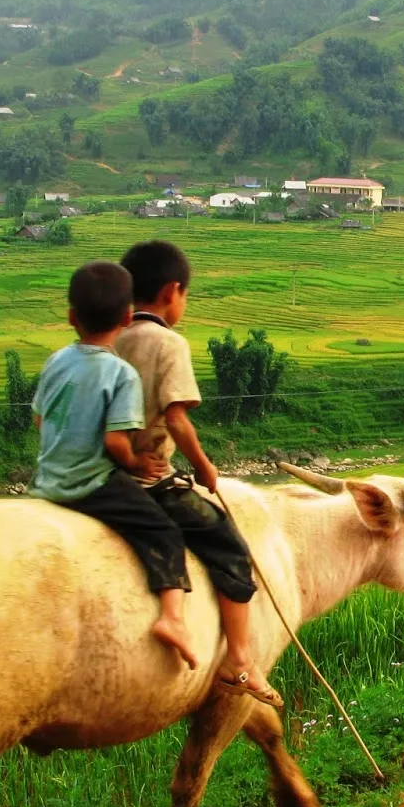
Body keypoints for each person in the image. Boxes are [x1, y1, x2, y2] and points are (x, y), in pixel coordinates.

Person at [116, 239, 282, 709]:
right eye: (185, 296)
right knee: (229, 545)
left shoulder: (111, 337)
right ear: (173, 291)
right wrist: (204, 467)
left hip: (103, 474)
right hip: (149, 480)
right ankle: (240, 660)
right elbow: (176, 419)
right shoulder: (167, 342)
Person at [30, 260, 200, 671]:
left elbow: (39, 418)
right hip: (93, 484)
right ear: (127, 318)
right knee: (163, 531)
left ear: (71, 317)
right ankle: (174, 619)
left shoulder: (56, 360)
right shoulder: (120, 373)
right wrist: (136, 462)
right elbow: (114, 442)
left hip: (45, 480)